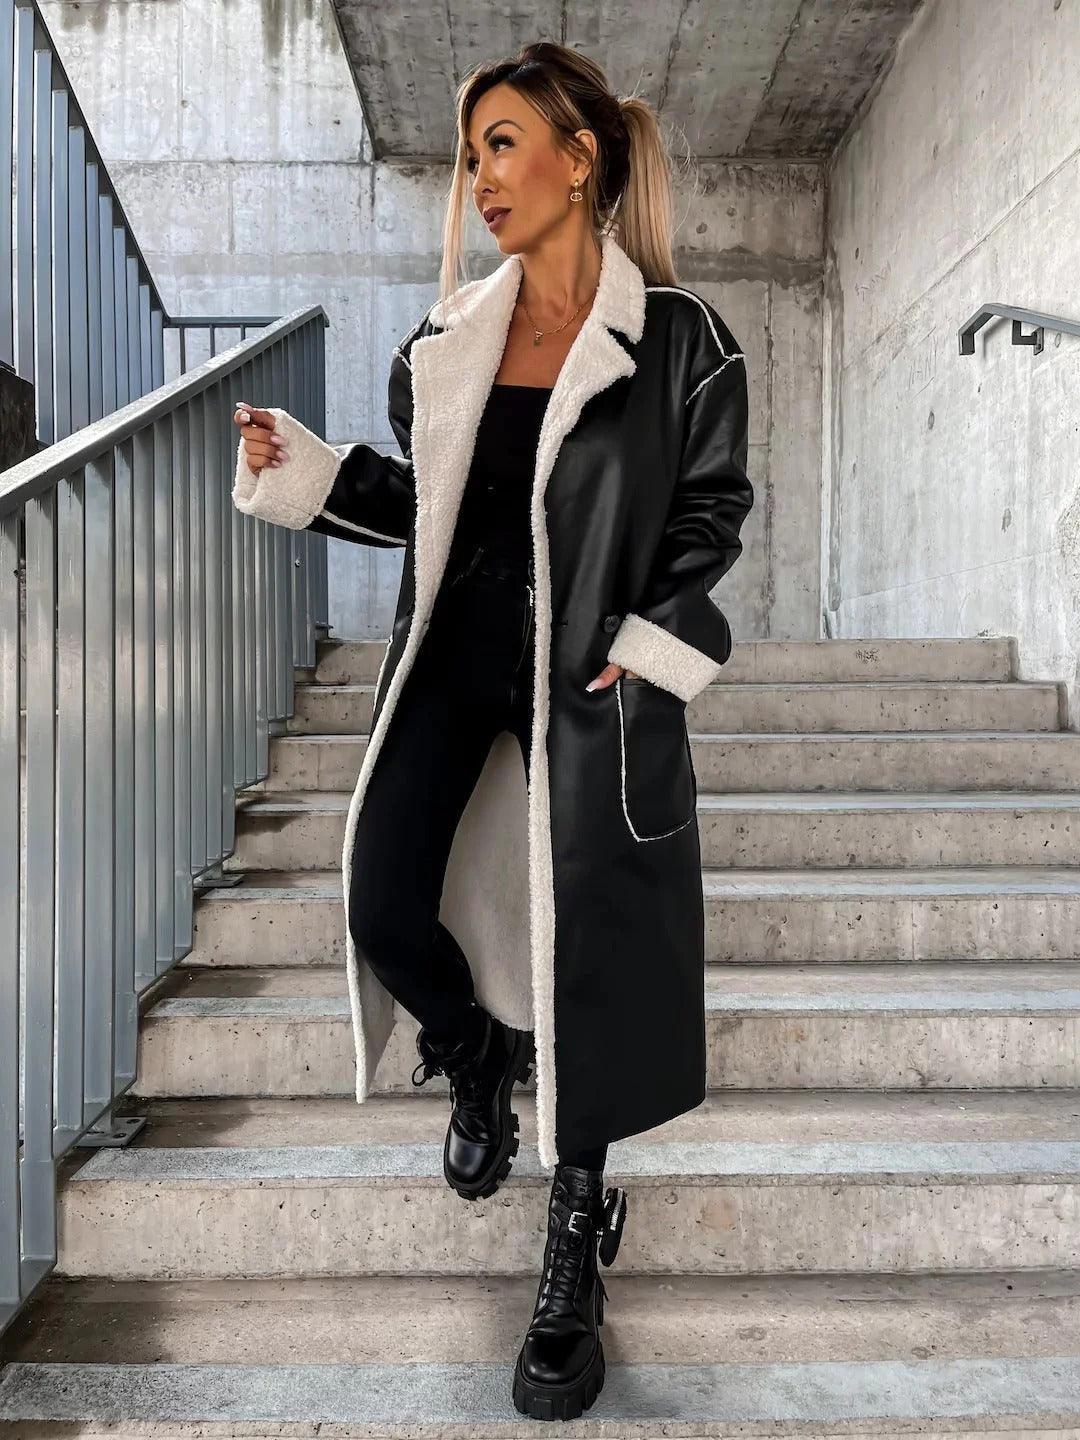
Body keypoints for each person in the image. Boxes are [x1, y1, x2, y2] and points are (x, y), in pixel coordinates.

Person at [231, 38, 753, 1423]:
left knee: (593, 954)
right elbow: (431, 508)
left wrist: (649, 649)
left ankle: (574, 1241)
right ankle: (473, 1058)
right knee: (380, 901)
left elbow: (710, 516)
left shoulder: (682, 340)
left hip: (591, 680)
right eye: (472, 157)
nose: (482, 179)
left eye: (504, 145)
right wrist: (311, 473)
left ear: (581, 159)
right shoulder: (448, 336)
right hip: (454, 653)